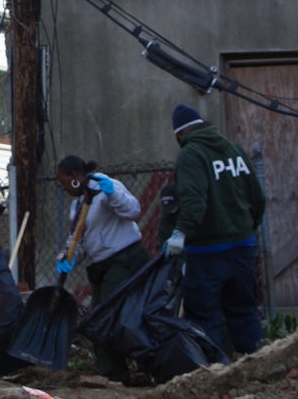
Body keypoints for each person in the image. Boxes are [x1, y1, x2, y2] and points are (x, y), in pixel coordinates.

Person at [164, 102, 266, 358]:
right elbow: (258, 197)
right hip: (242, 246)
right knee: (244, 309)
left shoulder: (191, 155)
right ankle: (258, 363)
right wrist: (247, 229)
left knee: (203, 314)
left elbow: (194, 202)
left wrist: (180, 233)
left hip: (207, 251)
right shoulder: (234, 149)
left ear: (179, 134)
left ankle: (216, 371)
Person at [53, 154, 148, 380]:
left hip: (127, 258)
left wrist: (111, 193)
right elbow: (78, 239)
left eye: (63, 181)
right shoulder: (77, 206)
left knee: (113, 315)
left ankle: (141, 365)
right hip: (103, 265)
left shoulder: (107, 187)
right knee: (99, 318)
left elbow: (133, 211)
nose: (63, 187)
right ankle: (112, 372)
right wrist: (69, 257)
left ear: (75, 176)